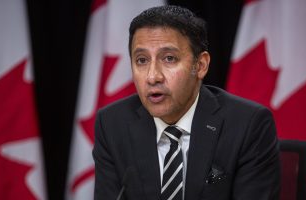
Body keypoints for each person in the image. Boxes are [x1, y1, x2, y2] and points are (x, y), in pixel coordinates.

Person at [93, 5, 280, 200]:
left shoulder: (247, 125)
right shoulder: (113, 124)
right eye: (141, 60)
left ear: (200, 66)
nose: (152, 76)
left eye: (169, 58)